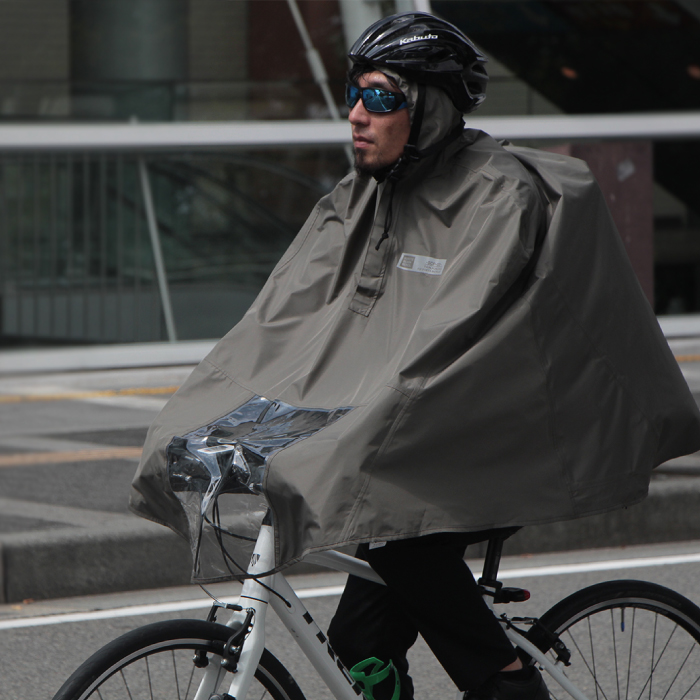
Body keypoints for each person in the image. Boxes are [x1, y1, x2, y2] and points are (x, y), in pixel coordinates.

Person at [131, 10, 700, 700]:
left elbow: (445, 344)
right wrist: (215, 414)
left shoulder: (498, 194)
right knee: (358, 647)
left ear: (428, 107)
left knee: (405, 542)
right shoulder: (361, 198)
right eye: (354, 95)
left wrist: (346, 433)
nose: (356, 115)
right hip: (419, 431)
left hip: (513, 429)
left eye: (381, 97)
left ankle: (509, 681)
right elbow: (281, 325)